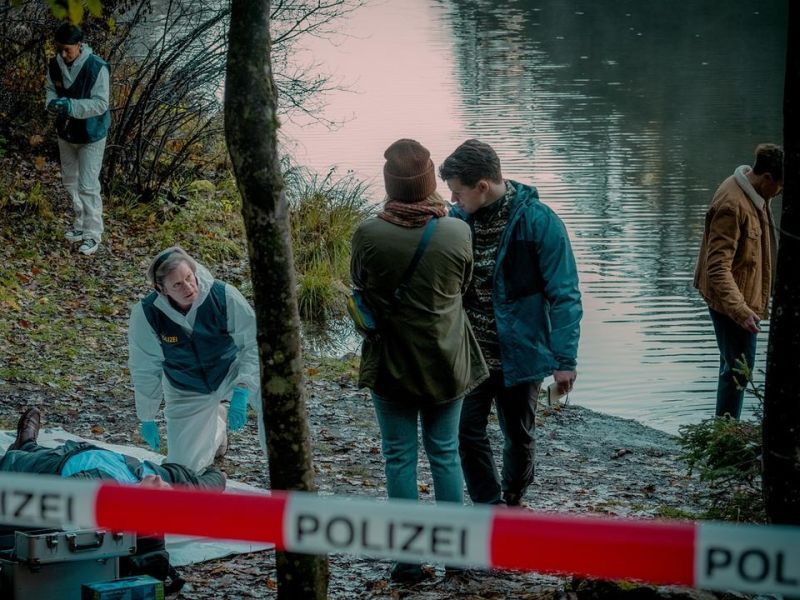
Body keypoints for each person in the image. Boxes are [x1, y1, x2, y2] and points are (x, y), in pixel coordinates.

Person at [350, 139, 488, 583]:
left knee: (398, 458)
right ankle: (455, 558)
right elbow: (464, 286)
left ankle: (407, 562)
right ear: (429, 182)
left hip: (392, 363)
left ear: (390, 184)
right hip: (446, 362)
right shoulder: (457, 231)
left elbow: (359, 284)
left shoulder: (367, 234)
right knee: (445, 453)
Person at [439, 139, 583, 507]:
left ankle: (514, 495)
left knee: (518, 435)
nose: (453, 200)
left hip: (521, 353)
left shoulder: (540, 222)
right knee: (465, 431)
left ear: (482, 186)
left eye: (457, 192)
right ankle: (489, 505)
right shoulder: (455, 222)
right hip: (470, 355)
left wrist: (564, 360)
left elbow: (565, 294)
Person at [127, 246, 266, 471]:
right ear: (161, 289)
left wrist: (243, 387)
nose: (188, 287)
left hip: (230, 371)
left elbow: (253, 342)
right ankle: (217, 425)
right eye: (177, 285)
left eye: (189, 278)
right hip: (186, 386)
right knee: (185, 467)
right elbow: (144, 367)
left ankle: (285, 470)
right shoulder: (146, 314)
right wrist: (147, 416)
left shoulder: (223, 295)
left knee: (274, 395)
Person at [693, 143, 783, 419]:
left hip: (742, 296)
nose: (779, 192)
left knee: (735, 367)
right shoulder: (732, 205)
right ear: (766, 177)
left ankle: (725, 428)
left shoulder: (754, 194)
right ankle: (726, 431)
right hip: (731, 302)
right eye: (780, 186)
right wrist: (741, 311)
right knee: (738, 370)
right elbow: (717, 267)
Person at [1, 407, 225, 489]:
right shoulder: (167, 478)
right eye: (165, 486)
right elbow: (210, 484)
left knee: (14, 462)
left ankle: (26, 445)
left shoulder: (102, 492)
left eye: (158, 489)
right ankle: (27, 445)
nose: (159, 480)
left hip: (59, 464)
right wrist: (217, 474)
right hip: (90, 451)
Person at [45, 23, 111, 257]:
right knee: (69, 181)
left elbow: (101, 103)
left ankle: (93, 234)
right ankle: (80, 224)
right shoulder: (55, 65)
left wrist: (71, 106)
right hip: (66, 132)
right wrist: (52, 103)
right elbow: (50, 89)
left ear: (79, 45)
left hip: (92, 134)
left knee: (88, 185)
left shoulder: (97, 67)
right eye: (60, 49)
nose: (63, 54)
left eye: (68, 49)